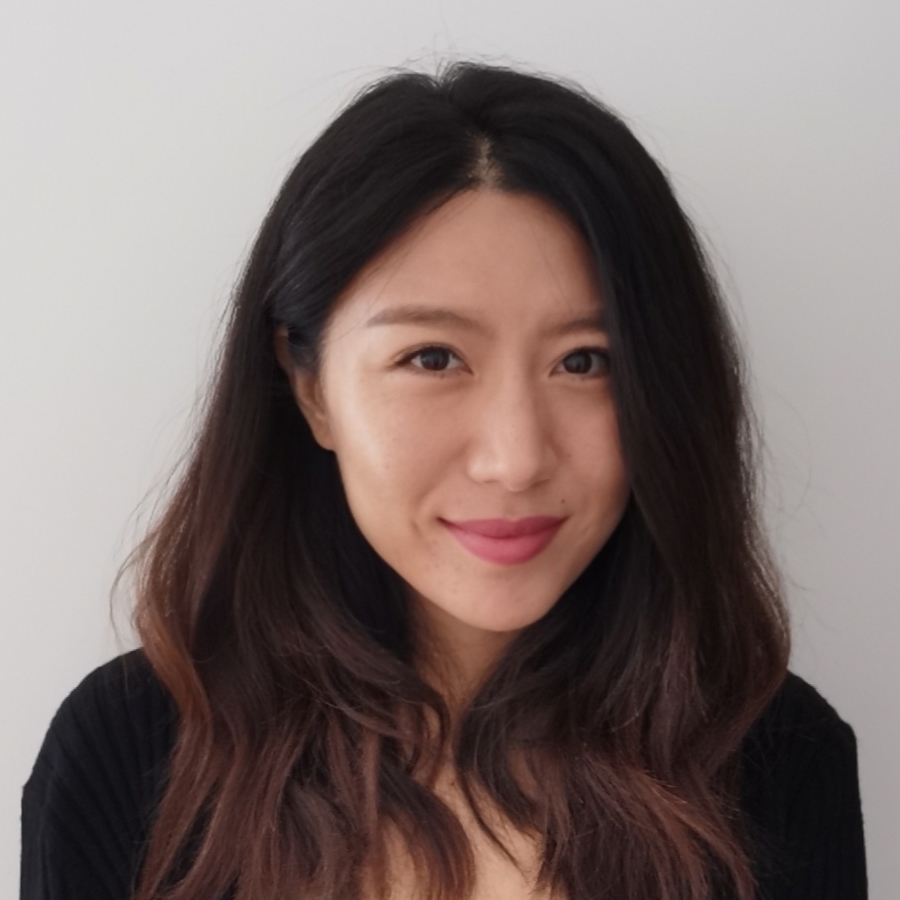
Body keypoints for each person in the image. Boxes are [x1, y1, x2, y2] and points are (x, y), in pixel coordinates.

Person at [20, 61, 866, 900]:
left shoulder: (776, 761)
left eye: (585, 361)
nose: (516, 458)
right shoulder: (128, 753)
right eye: (432, 357)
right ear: (310, 387)